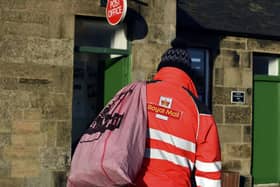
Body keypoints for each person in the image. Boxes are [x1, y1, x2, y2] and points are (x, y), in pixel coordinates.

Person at [134, 38, 222, 187]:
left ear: (161, 69)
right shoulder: (200, 112)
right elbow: (209, 174)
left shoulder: (137, 94)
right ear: (188, 74)